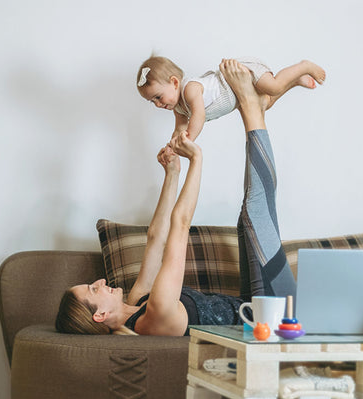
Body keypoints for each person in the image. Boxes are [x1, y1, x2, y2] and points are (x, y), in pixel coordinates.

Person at [56, 59, 296, 336]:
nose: (99, 281)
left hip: (254, 307)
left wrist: (172, 173)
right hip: (279, 321)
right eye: (94, 289)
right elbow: (179, 226)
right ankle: (252, 109)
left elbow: (157, 238)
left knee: (248, 216)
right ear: (101, 315)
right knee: (256, 209)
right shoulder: (155, 314)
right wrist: (196, 160)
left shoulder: (137, 303)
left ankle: (255, 106)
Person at [136, 55, 326, 144]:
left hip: (243, 72)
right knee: (266, 103)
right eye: (152, 102)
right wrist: (173, 146)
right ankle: (294, 81)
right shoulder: (179, 109)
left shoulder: (190, 89)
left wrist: (190, 139)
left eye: (158, 97)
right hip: (241, 92)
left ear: (175, 82)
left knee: (273, 86)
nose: (158, 104)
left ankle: (303, 66)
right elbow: (179, 129)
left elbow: (199, 117)